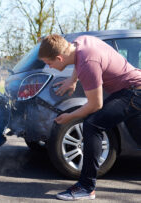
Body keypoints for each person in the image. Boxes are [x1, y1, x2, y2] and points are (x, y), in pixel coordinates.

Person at [38, 34, 141, 201]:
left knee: (93, 124)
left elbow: (95, 105)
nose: (50, 66)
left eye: (50, 63)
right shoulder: (81, 42)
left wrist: (69, 116)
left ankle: (86, 186)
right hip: (132, 88)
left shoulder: (87, 63)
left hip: (133, 92)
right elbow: (79, 59)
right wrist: (72, 80)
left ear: (59, 57)